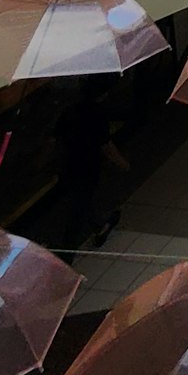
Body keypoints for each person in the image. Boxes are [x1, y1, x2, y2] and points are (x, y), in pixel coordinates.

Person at [54, 89, 129, 257]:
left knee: (79, 201)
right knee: (79, 207)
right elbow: (106, 146)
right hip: (87, 167)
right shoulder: (98, 115)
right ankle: (67, 254)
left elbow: (57, 137)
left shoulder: (70, 111)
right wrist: (123, 164)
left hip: (67, 164)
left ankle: (99, 225)